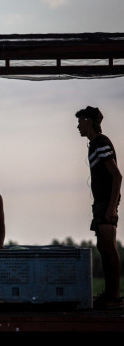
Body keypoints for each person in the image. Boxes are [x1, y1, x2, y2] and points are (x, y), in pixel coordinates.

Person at [76, 106, 123, 309]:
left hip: (106, 202)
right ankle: (109, 295)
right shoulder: (94, 144)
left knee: (109, 247)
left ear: (88, 121)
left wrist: (111, 207)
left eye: (80, 121)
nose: (78, 126)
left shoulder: (101, 143)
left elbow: (117, 175)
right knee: (102, 247)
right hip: (100, 203)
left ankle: (114, 296)